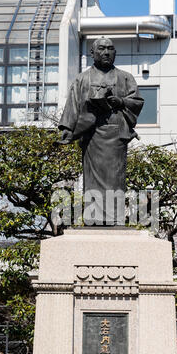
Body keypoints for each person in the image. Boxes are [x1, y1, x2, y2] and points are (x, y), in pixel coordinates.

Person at [58, 37, 144, 224]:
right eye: (102, 49)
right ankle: (94, 218)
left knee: (115, 178)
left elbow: (137, 101)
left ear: (115, 53)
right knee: (92, 179)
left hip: (116, 136)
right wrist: (67, 128)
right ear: (93, 53)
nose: (106, 52)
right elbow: (73, 105)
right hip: (91, 135)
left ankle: (115, 218)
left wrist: (120, 101)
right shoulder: (82, 78)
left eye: (110, 49)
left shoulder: (125, 77)